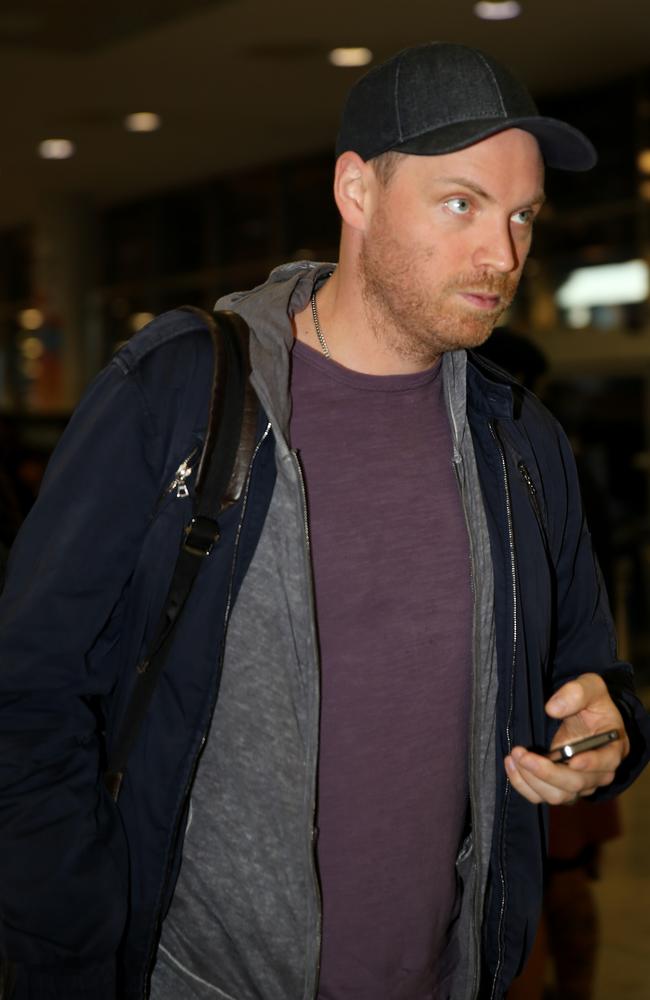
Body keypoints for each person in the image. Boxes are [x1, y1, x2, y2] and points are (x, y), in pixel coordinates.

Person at [0, 41, 648, 1000]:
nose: (502, 254)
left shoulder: (518, 440)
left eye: (521, 217)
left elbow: (594, 673)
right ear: (356, 191)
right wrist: (80, 949)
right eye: (461, 204)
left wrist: (606, 733)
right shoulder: (181, 397)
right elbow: (29, 697)